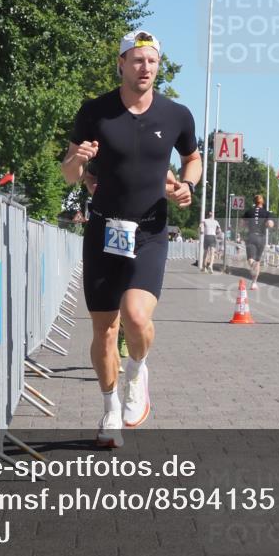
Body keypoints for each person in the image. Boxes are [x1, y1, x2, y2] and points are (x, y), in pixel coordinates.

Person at [61, 29, 201, 448]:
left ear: (159, 66)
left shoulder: (177, 115)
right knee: (104, 329)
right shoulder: (95, 112)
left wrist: (187, 186)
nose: (145, 68)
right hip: (104, 229)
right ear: (121, 64)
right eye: (137, 60)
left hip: (150, 231)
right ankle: (108, 413)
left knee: (137, 316)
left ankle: (138, 370)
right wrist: (77, 160)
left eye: (152, 61)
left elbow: (192, 158)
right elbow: (70, 172)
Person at [241, 194, 274, 290]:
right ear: (262, 202)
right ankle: (254, 283)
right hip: (261, 238)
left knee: (250, 259)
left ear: (254, 202)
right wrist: (268, 223)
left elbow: (242, 224)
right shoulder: (267, 213)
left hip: (251, 236)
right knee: (258, 261)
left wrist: (248, 224)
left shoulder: (248, 212)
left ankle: (252, 264)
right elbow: (270, 224)